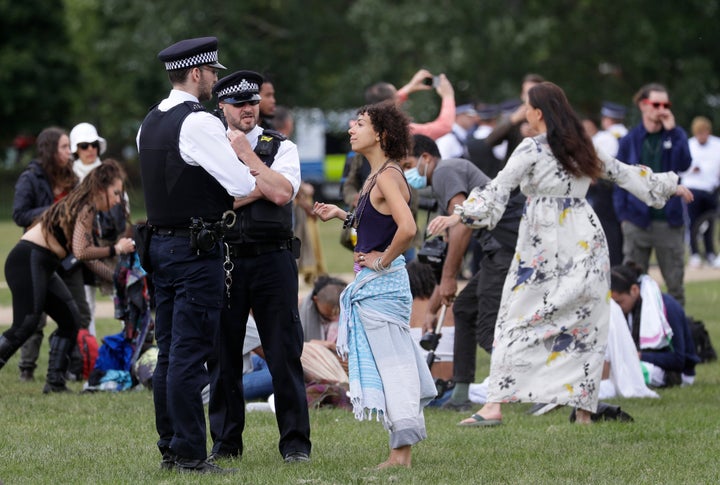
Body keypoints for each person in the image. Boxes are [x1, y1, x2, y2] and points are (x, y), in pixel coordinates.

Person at [427, 82, 692, 426]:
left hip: (545, 244)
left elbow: (497, 189)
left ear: (539, 112)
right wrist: (669, 186)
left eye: (526, 107)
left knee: (514, 320)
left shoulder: (534, 149)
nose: (524, 113)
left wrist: (459, 214)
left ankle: (502, 407)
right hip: (583, 240)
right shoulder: (580, 148)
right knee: (585, 324)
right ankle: (571, 408)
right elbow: (625, 173)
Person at [137, 36, 256, 474]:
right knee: (189, 355)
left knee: (169, 352)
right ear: (196, 73)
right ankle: (189, 454)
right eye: (213, 73)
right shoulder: (198, 122)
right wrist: (240, 154)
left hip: (162, 246)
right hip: (194, 250)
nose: (215, 79)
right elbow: (243, 186)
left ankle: (171, 446)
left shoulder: (149, 120)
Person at [313, 101, 436, 469]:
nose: (351, 128)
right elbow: (377, 221)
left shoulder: (385, 175)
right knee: (392, 366)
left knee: (395, 367)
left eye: (360, 123)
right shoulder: (377, 174)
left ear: (380, 134)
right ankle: (400, 448)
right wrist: (343, 215)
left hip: (382, 285)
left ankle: (401, 455)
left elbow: (408, 229)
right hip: (376, 284)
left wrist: (381, 261)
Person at [207, 70, 311, 465]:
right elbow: (213, 203)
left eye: (253, 102)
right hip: (226, 259)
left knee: (284, 351)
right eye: (239, 104)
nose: (248, 109)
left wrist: (247, 160)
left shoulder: (280, 146)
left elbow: (283, 193)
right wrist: (259, 186)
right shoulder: (208, 145)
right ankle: (226, 442)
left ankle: (296, 443)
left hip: (273, 257)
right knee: (224, 354)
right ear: (222, 107)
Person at [405, 134, 523, 411]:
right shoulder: (445, 178)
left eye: (407, 163)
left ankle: (535, 387)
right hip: (500, 252)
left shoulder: (445, 170)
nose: (405, 172)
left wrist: (448, 279)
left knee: (487, 327)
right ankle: (460, 395)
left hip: (509, 249)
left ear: (426, 158)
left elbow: (462, 224)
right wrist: (434, 307)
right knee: (466, 309)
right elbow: (453, 241)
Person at [1, 160, 134, 393]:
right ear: (101, 188)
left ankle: (54, 383)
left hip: (43, 263)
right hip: (28, 259)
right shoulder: (86, 206)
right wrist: (116, 249)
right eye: (115, 193)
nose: (116, 201)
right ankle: (53, 380)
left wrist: (116, 278)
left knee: (70, 320)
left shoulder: (87, 207)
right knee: (26, 324)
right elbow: (82, 250)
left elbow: (87, 258)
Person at [11, 127, 86, 383]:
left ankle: (66, 372)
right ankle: (27, 369)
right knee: (33, 320)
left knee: (75, 313)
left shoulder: (72, 178)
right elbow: (19, 214)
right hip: (37, 254)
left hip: (67, 256)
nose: (70, 152)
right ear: (51, 150)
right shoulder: (31, 177)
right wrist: (55, 209)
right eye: (65, 147)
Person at [614, 83, 692, 306]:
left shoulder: (676, 134)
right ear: (643, 105)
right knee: (631, 283)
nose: (662, 109)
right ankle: (635, 335)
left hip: (668, 222)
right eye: (656, 104)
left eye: (666, 104)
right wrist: (624, 217)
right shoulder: (629, 140)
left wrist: (673, 132)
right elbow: (619, 178)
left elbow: (683, 164)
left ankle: (678, 336)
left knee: (675, 285)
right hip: (636, 221)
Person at [69, 122, 128, 339]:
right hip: (85, 245)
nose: (90, 149)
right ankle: (90, 351)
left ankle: (128, 342)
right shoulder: (70, 177)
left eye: (93, 144)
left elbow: (124, 205)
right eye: (84, 145)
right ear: (76, 150)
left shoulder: (110, 172)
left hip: (113, 242)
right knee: (86, 302)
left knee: (122, 292)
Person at [610, 262, 700, 387]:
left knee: (625, 372)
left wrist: (640, 355)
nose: (616, 308)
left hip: (678, 373)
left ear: (634, 290)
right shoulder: (629, 309)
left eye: (619, 302)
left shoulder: (666, 308)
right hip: (644, 363)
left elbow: (679, 360)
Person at [466, 73, 544, 175]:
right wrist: (512, 120)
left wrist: (539, 134)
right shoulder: (514, 117)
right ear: (522, 95)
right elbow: (490, 141)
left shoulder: (551, 117)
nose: (529, 97)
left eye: (533, 93)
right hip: (515, 176)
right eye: (526, 93)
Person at [589, 102, 628, 267]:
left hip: (605, 189)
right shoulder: (629, 134)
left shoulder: (603, 138)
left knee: (607, 230)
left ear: (607, 119)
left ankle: (612, 267)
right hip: (626, 188)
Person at [681, 116, 720, 268]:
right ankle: (694, 254)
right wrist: (692, 169)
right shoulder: (688, 145)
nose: (701, 136)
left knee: (710, 222)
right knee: (693, 222)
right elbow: (682, 168)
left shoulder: (717, 144)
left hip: (710, 188)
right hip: (692, 188)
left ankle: (710, 252)